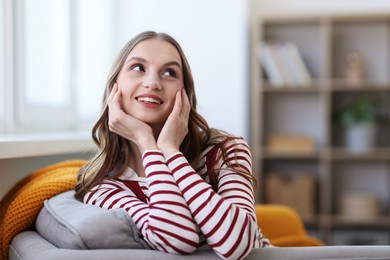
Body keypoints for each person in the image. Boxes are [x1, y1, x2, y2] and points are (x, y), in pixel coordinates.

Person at [74, 31, 270, 259]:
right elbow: (177, 238)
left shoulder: (225, 149)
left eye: (169, 72)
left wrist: (170, 150)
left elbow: (238, 244)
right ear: (114, 86)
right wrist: (148, 144)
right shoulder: (103, 186)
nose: (152, 83)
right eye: (138, 67)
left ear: (184, 94)